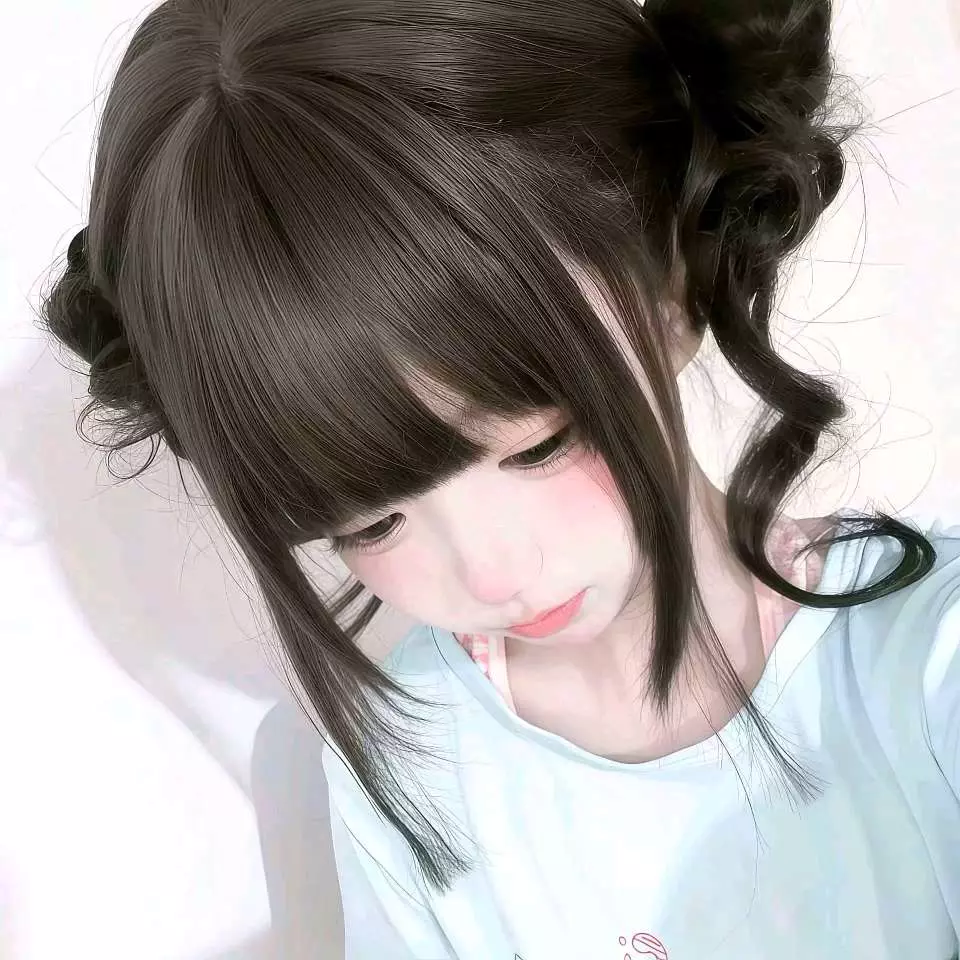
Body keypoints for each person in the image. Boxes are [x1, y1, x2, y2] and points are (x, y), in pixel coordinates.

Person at [39, 0, 959, 956]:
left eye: (536, 446)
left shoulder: (922, 654)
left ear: (675, 277)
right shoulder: (410, 766)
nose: (490, 573)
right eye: (371, 523)